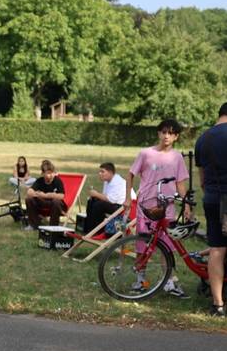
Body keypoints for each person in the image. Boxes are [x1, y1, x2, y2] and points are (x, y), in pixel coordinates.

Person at [125, 118, 190, 298]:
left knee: (167, 246)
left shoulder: (177, 157)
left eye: (170, 133)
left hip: (167, 207)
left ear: (176, 136)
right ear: (158, 133)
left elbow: (180, 183)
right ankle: (140, 281)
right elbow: (130, 175)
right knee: (142, 245)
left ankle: (169, 282)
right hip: (146, 206)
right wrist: (127, 199)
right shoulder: (146, 153)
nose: (166, 136)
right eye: (163, 132)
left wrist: (186, 205)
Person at [195, 102, 227, 318]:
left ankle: (217, 305)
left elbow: (202, 178)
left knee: (216, 249)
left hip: (212, 197)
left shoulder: (202, 138)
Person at [81, 162, 126, 234]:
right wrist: (96, 196)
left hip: (124, 208)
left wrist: (96, 194)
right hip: (116, 205)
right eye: (99, 171)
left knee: (99, 205)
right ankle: (89, 228)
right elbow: (105, 197)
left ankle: (97, 231)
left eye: (102, 171)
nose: (100, 173)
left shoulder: (117, 182)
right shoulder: (107, 181)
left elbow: (111, 200)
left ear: (110, 172)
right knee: (91, 201)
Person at [24, 160, 67, 230]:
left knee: (56, 201)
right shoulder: (40, 181)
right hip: (43, 203)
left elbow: (61, 196)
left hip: (56, 205)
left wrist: (45, 195)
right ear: (43, 173)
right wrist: (37, 194)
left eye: (52, 173)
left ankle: (53, 227)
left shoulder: (57, 181)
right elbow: (29, 192)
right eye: (48, 173)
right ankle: (34, 225)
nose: (51, 175)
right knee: (29, 199)